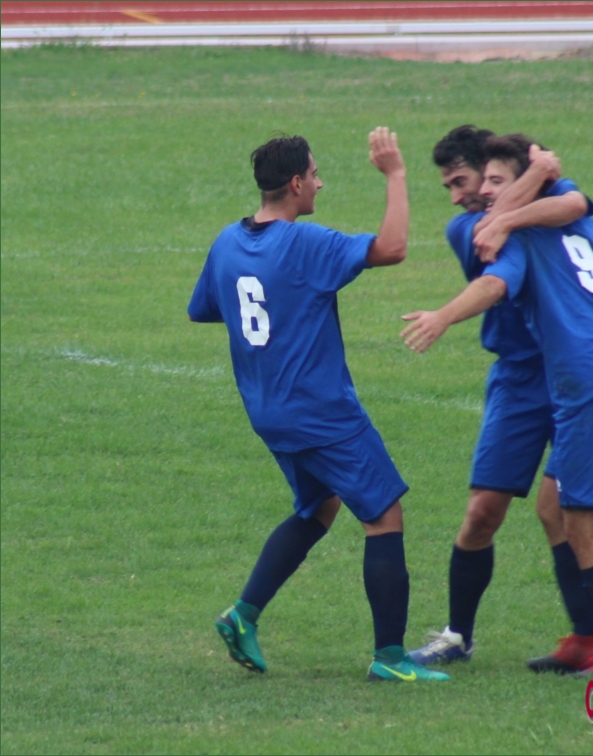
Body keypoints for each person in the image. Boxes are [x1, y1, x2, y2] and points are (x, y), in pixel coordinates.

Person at [188, 128, 448, 682]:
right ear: (295, 183)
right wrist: (396, 174)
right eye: (315, 174)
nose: (320, 183)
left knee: (320, 506)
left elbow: (205, 307)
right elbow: (393, 248)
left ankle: (243, 615)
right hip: (321, 412)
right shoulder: (304, 245)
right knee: (384, 515)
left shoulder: (227, 242)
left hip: (268, 412)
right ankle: (391, 659)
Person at [402, 133, 593, 677]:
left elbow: (542, 248)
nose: (461, 196)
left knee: (592, 514)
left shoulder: (535, 216)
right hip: (532, 379)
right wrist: (539, 177)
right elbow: (538, 232)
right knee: (493, 511)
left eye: (468, 182)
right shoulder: (476, 226)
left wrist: (443, 316)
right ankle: (466, 635)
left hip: (581, 375)